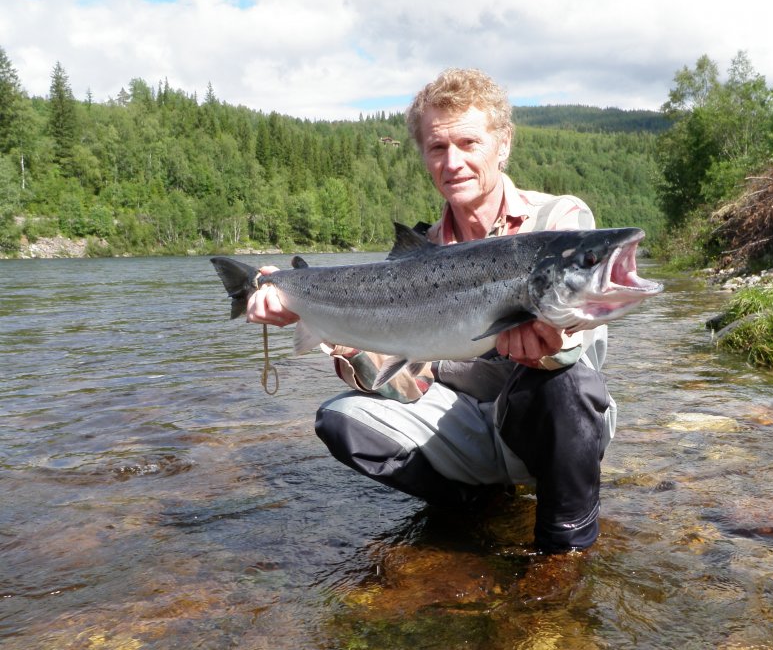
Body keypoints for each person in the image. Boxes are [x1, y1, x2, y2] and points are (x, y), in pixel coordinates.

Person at [247, 68, 616, 552]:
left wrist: (547, 347)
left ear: (503, 143)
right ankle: (473, 505)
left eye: (468, 143)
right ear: (423, 155)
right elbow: (405, 385)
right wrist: (312, 317)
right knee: (341, 420)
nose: (453, 162)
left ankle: (564, 551)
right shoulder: (414, 261)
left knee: (563, 382)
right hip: (465, 427)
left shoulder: (560, 222)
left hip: (552, 430)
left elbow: (582, 341)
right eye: (438, 147)